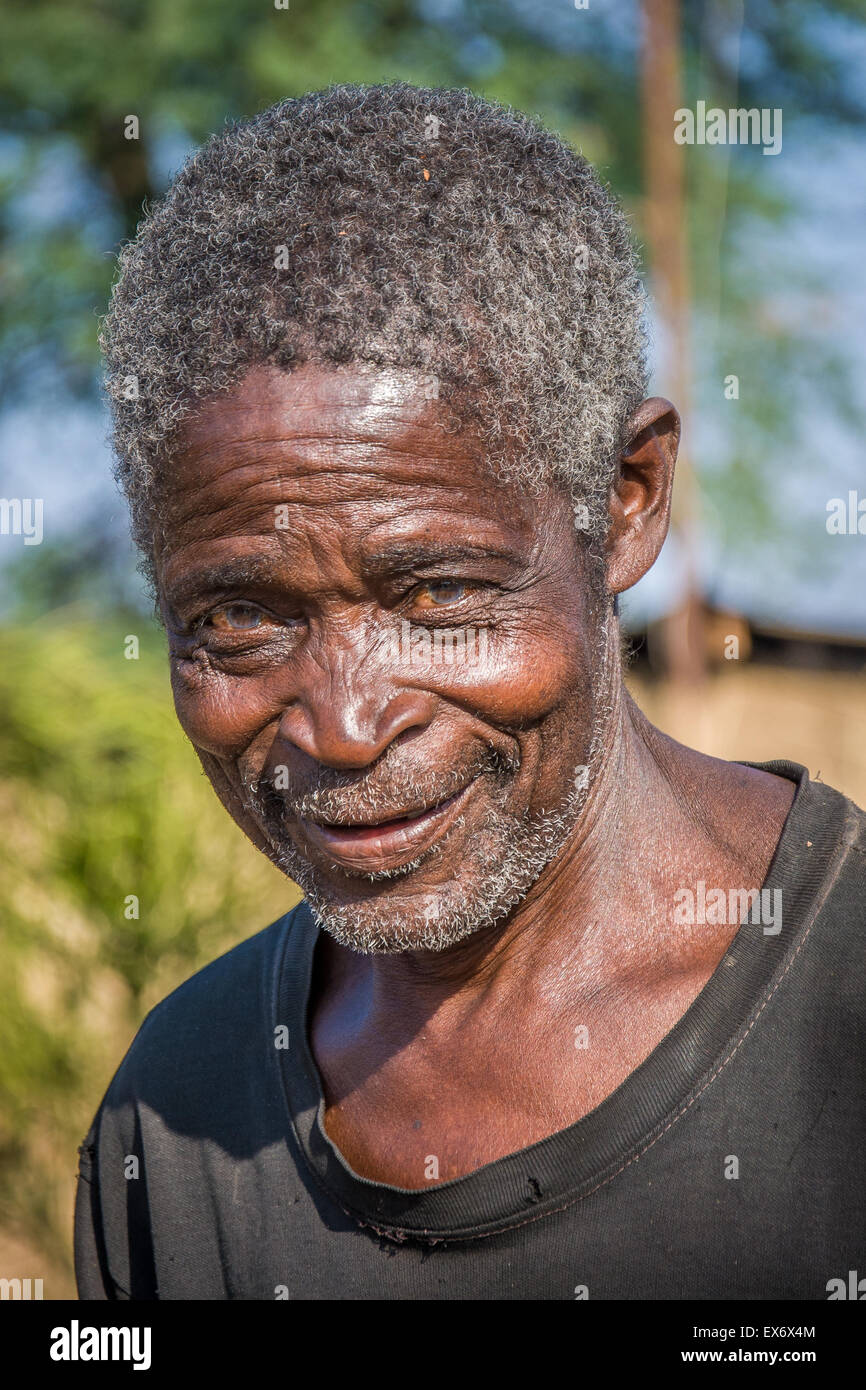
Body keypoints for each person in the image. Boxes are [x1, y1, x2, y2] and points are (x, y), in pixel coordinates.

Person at [75, 82, 865, 1300]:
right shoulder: (177, 1118)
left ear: (624, 500)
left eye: (437, 594)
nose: (343, 725)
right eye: (239, 617)